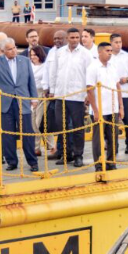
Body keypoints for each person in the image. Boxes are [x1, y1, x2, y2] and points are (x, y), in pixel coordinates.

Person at [0, 38, 39, 171]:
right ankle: (11, 162)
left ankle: (32, 162)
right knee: (7, 134)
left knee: (27, 132)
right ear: (3, 51)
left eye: (14, 47)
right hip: (4, 102)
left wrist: (34, 98)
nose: (13, 50)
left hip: (22, 101)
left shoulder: (25, 61)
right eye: (9, 49)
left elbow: (31, 80)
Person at [48, 27, 92, 167]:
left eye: (76, 38)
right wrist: (53, 90)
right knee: (62, 126)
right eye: (72, 38)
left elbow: (89, 75)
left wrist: (87, 94)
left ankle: (78, 155)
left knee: (78, 128)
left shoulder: (86, 54)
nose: (74, 40)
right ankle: (66, 154)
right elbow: (54, 72)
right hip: (61, 95)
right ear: (67, 38)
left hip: (77, 96)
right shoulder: (59, 53)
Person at [87, 42, 123, 171]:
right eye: (107, 50)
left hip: (113, 108)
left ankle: (111, 162)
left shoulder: (113, 66)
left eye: (111, 51)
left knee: (113, 137)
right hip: (99, 109)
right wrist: (95, 111)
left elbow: (117, 86)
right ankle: (98, 163)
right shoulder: (93, 67)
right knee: (98, 138)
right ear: (100, 52)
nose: (110, 53)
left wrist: (121, 106)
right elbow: (89, 90)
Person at [110, 33, 128, 154]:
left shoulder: (127, 57)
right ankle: (113, 144)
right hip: (111, 93)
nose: (118, 44)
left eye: (120, 42)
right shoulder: (108, 56)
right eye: (116, 42)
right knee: (112, 121)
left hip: (125, 93)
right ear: (111, 42)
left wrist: (127, 79)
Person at [45, 30, 67, 161]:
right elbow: (49, 72)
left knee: (67, 125)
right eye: (55, 38)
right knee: (59, 124)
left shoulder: (67, 53)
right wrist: (48, 88)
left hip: (69, 95)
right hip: (55, 94)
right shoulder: (52, 52)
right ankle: (59, 150)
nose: (57, 41)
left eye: (60, 38)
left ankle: (67, 151)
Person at [29, 45, 50, 156]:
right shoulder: (29, 66)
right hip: (31, 94)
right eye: (31, 55)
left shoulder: (45, 66)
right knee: (32, 123)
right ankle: (36, 148)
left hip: (42, 94)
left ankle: (51, 146)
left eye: (35, 55)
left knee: (39, 122)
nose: (33, 57)